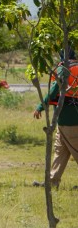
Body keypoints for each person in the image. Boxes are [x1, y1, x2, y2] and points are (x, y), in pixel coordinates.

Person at [32, 48, 78, 189]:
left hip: (71, 120)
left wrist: (40, 106)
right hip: (64, 121)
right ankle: (52, 182)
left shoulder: (63, 68)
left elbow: (54, 90)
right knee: (60, 152)